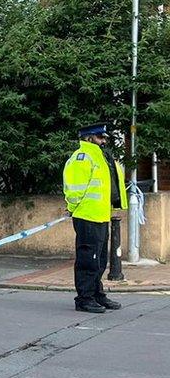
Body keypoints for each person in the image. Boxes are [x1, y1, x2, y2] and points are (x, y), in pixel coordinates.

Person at [62, 123, 128, 313]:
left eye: (104, 138)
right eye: (100, 138)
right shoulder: (82, 158)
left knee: (99, 259)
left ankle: (96, 294)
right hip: (87, 216)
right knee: (87, 259)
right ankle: (84, 298)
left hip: (100, 216)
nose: (104, 141)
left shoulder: (102, 157)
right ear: (89, 138)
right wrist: (74, 208)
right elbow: (73, 188)